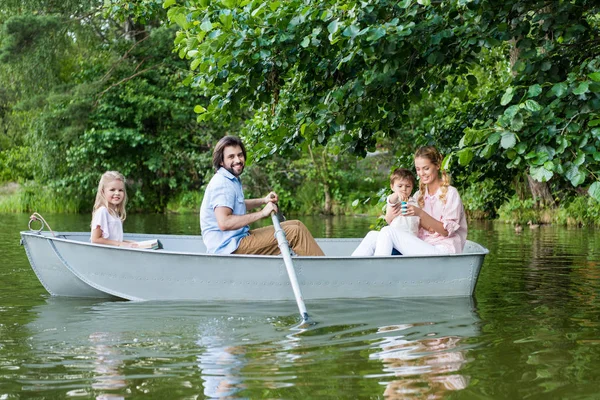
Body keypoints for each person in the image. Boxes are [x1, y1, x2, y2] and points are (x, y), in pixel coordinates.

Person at [200, 135, 324, 256]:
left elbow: (238, 205)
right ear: (221, 161)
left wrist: (263, 200)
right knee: (295, 233)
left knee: (296, 225)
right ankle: (325, 271)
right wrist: (262, 213)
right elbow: (224, 223)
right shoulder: (222, 183)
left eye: (240, 155)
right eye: (231, 157)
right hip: (229, 248)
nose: (237, 160)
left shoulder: (230, 179)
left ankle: (317, 267)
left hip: (237, 240)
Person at [373, 146, 467, 256]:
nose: (421, 173)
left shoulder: (451, 193)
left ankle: (378, 270)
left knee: (387, 232)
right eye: (418, 169)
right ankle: (351, 268)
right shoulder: (418, 195)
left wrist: (420, 213)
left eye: (426, 168)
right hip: (421, 245)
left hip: (443, 250)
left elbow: (446, 232)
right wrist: (391, 213)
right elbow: (395, 222)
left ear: (437, 166)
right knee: (373, 236)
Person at [351, 168, 419, 256]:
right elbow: (391, 200)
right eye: (400, 186)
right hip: (393, 241)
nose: (404, 189)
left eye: (408, 186)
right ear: (392, 187)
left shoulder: (415, 202)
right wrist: (397, 194)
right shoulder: (395, 200)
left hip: (407, 242)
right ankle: (353, 262)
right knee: (372, 234)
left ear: (412, 187)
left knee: (384, 235)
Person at [90, 171, 139, 248]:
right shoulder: (102, 211)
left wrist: (131, 243)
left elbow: (115, 240)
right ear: (103, 192)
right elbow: (95, 239)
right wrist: (120, 244)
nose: (117, 193)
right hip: (106, 254)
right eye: (112, 190)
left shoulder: (115, 213)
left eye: (120, 190)